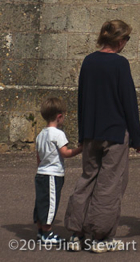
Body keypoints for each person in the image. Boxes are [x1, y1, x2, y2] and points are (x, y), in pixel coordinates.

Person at [65, 19, 140, 253]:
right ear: (120, 41)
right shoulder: (120, 64)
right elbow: (129, 102)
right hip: (115, 132)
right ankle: (100, 237)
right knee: (110, 184)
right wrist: (138, 139)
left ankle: (76, 233)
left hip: (91, 131)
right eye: (127, 39)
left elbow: (82, 98)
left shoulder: (89, 61)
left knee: (87, 179)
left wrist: (82, 133)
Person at [33, 97, 82, 244]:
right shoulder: (58, 134)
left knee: (41, 201)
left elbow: (38, 157)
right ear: (59, 116)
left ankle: (41, 231)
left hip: (41, 173)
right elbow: (65, 153)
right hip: (53, 174)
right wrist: (81, 149)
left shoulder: (40, 134)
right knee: (51, 203)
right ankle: (47, 233)